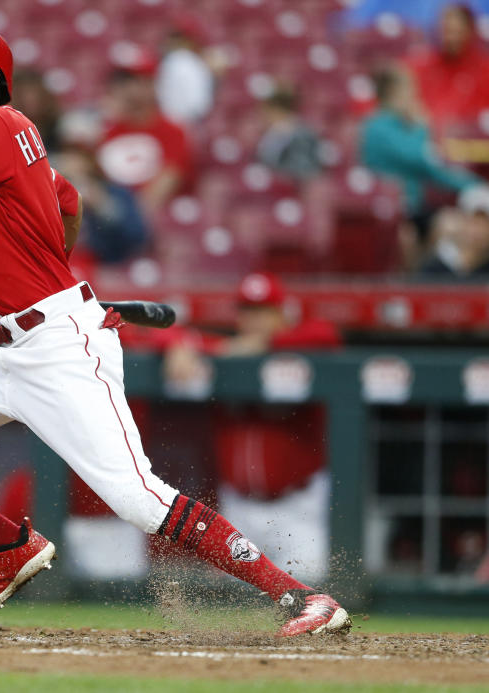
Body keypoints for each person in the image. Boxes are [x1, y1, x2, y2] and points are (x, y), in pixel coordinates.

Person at [0, 21, 349, 636]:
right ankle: (5, 544)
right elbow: (67, 200)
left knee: (137, 498)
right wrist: (47, 272)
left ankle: (302, 597)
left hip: (56, 345)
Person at [158, 273, 342, 583]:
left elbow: (327, 335)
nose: (254, 320)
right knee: (234, 606)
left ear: (282, 314)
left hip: (297, 508)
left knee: (310, 590)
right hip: (238, 509)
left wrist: (264, 343)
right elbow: (160, 334)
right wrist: (178, 344)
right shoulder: (227, 353)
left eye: (263, 311)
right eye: (247, 312)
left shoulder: (303, 349)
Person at [360, 65, 484, 240]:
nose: (414, 97)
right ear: (394, 92)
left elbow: (435, 171)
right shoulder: (377, 125)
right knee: (450, 228)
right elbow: (417, 158)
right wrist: (421, 124)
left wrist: (473, 184)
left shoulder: (403, 127)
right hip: (394, 210)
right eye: (410, 91)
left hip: (416, 207)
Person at [96, 47, 193, 214]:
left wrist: (129, 221)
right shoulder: (104, 131)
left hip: (159, 220)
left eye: (130, 80)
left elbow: (166, 183)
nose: (122, 88)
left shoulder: (172, 131)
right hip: (112, 220)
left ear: (151, 85)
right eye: (119, 81)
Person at [404, 3, 489, 134]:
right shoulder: (420, 65)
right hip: (427, 140)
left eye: (458, 32)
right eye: (447, 31)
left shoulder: (484, 69)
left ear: (470, 31)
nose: (451, 38)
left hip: (472, 143)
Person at [256, 87, 323, 182]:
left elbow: (307, 167)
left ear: (275, 107)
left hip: (294, 184)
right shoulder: (273, 132)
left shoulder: (302, 133)